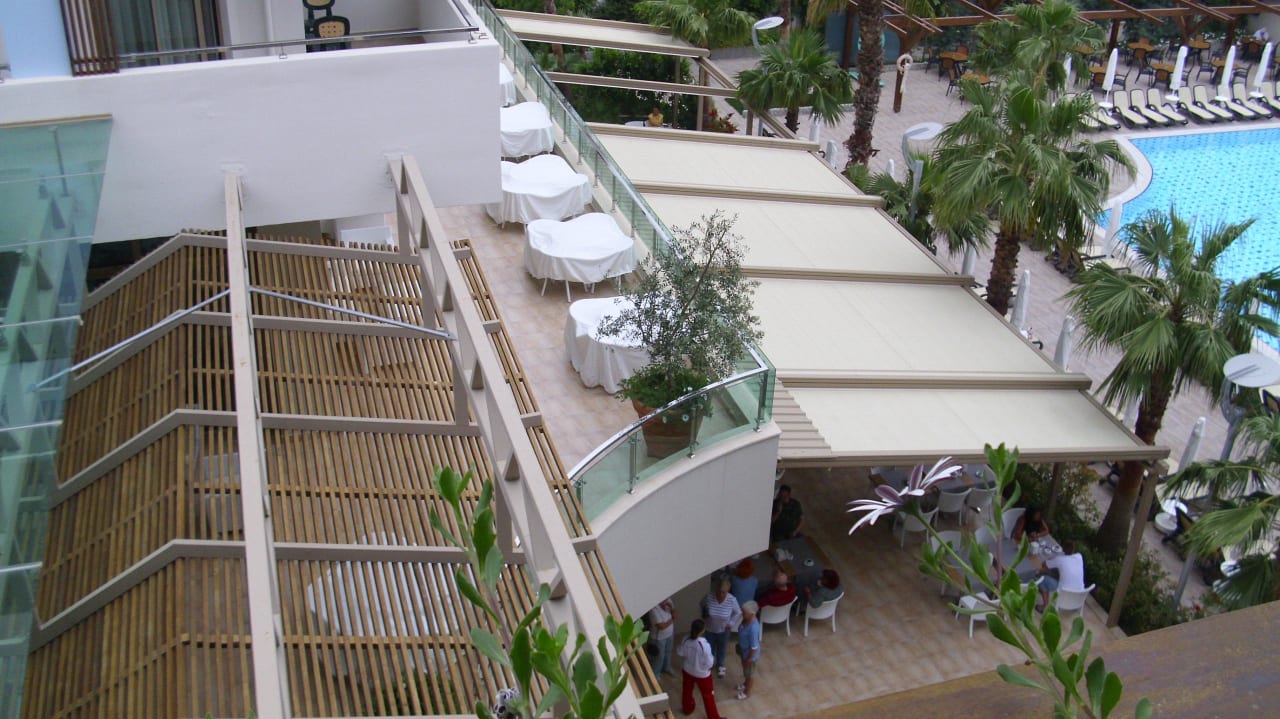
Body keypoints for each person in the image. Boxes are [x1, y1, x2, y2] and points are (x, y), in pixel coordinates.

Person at [676, 619, 724, 719]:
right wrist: (706, 668)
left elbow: (680, 652)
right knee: (708, 695)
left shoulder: (685, 639)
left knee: (687, 691)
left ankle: (687, 709)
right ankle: (714, 717)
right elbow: (709, 662)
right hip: (702, 674)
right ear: (702, 630)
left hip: (687, 671)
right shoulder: (704, 645)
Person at [701, 576, 741, 678]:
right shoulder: (709, 597)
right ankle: (709, 664)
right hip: (710, 629)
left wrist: (731, 623)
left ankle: (720, 665)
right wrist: (705, 614)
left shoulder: (732, 600)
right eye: (719, 592)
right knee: (709, 649)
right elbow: (702, 604)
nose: (721, 594)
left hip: (723, 631)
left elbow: (738, 612)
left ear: (727, 592)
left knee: (722, 649)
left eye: (724, 592)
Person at [1037, 540, 1086, 607]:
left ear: (1062, 549)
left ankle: (1044, 606)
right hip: (1079, 596)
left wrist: (1052, 558)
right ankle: (1043, 591)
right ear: (1074, 549)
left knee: (1043, 579)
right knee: (1057, 573)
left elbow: (1044, 564)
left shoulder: (1060, 559)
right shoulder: (1079, 557)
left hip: (1064, 594)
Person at [734, 601, 761, 701]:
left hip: (749, 654)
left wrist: (749, 659)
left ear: (752, 613)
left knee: (749, 674)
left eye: (744, 613)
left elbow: (754, 647)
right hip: (743, 650)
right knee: (746, 671)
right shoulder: (746, 619)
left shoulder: (753, 628)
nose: (742, 614)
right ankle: (745, 683)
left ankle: (747, 692)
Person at [648, 597, 677, 676]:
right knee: (659, 657)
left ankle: (667, 668)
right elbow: (661, 626)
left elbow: (675, 614)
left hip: (670, 634)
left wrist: (672, 608)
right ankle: (656, 674)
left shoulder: (668, 600)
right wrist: (672, 619)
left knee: (668, 652)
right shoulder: (653, 609)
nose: (666, 600)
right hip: (658, 638)